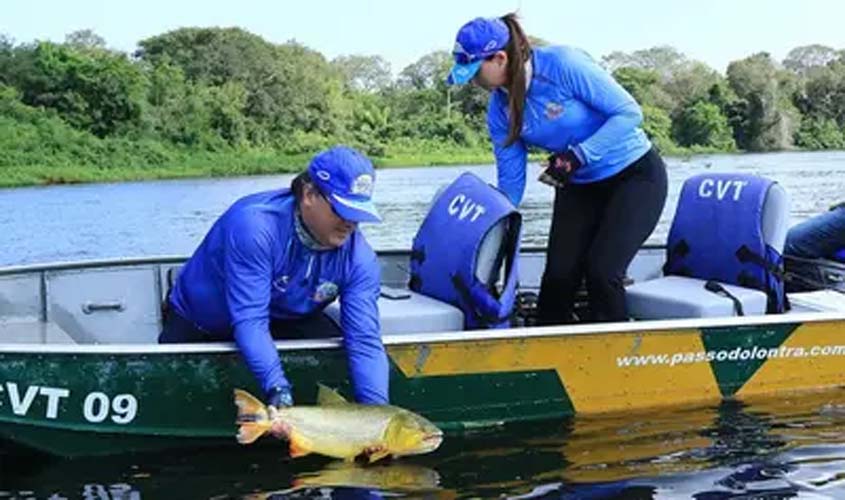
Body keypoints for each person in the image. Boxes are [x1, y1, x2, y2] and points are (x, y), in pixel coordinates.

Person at [446, 14, 668, 324]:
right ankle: (549, 350)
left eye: (475, 72)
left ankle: (614, 351)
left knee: (602, 272)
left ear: (500, 58)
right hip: (579, 185)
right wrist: (489, 224)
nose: (473, 82)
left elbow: (629, 113)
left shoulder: (563, 64)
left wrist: (580, 155)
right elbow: (511, 182)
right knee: (558, 279)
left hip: (634, 177)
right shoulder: (499, 110)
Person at [159, 145, 389, 416]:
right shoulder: (255, 227)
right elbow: (250, 319)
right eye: (342, 210)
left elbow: (364, 340)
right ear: (309, 195)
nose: (350, 223)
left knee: (340, 346)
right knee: (171, 400)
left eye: (359, 214)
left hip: (284, 319)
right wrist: (278, 388)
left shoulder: (360, 259)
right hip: (202, 322)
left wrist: (378, 417)